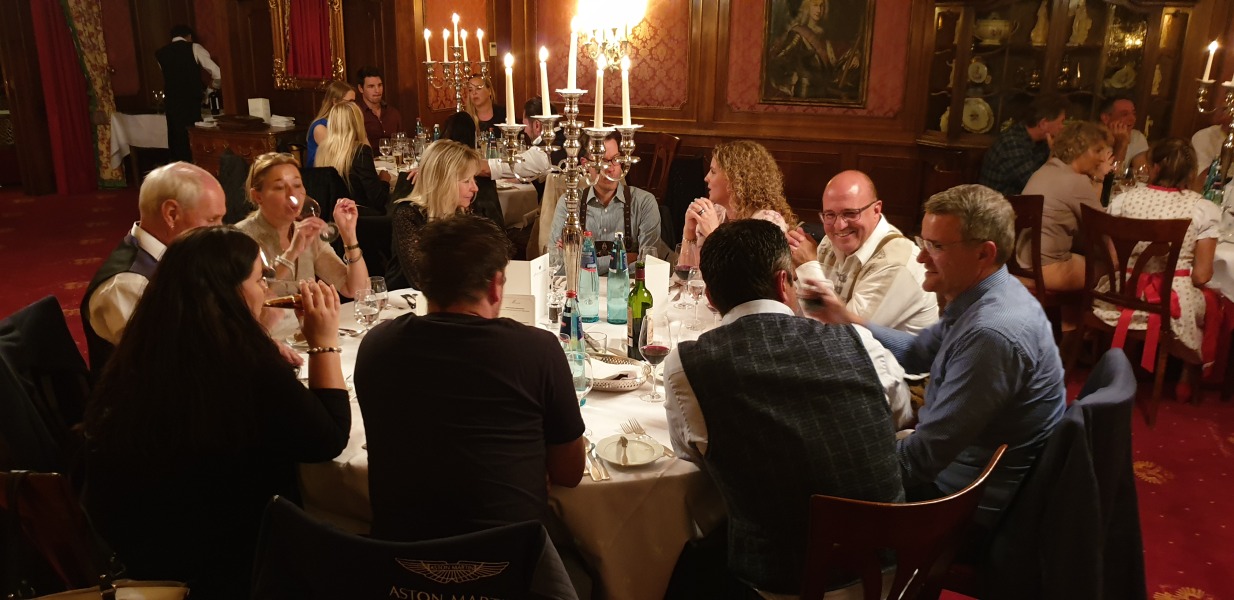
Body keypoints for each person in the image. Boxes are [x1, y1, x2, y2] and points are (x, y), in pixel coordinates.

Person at [84, 226, 350, 599]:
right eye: (259, 280)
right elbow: (328, 439)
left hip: (143, 553)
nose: (267, 291)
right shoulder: (244, 364)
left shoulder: (146, 345)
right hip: (232, 566)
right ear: (230, 292)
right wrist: (324, 342)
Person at [663, 219, 904, 596]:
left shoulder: (688, 365)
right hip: (896, 573)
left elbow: (693, 455)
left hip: (781, 587)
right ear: (782, 283)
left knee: (686, 563)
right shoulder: (856, 340)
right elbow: (898, 414)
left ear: (709, 296)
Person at [801, 184, 1065, 528]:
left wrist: (830, 470)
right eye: (923, 242)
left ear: (983, 254)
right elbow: (918, 353)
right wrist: (844, 318)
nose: (921, 257)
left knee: (806, 491)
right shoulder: (989, 293)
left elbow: (922, 460)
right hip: (957, 471)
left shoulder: (991, 334)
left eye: (936, 247)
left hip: (962, 503)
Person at [355, 214, 584, 543]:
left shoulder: (377, 345)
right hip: (510, 561)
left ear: (425, 282)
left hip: (399, 560)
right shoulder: (537, 350)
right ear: (495, 286)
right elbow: (570, 473)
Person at [1094, 138, 1221, 400]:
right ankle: (1187, 373)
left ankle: (1119, 362)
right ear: (1190, 172)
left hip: (1120, 294)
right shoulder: (1202, 208)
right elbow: (1201, 275)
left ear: (1154, 167)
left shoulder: (1123, 200)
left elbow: (1112, 257)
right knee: (1214, 300)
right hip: (1168, 301)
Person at [81, 162, 225, 375]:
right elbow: (168, 364)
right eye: (212, 220)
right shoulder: (126, 285)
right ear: (171, 214)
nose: (220, 230)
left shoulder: (180, 256)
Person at [786, 170, 938, 334]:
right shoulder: (831, 241)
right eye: (830, 215)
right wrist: (791, 276)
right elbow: (803, 314)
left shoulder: (896, 264)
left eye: (850, 213)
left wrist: (808, 266)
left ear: (876, 210)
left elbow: (844, 336)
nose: (839, 226)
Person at [235, 152, 369, 298]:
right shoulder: (240, 238)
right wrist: (292, 252)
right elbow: (250, 298)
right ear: (257, 196)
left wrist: (349, 235)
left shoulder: (307, 233)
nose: (292, 194)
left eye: (297, 185)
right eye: (280, 187)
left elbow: (355, 289)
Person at [548, 130, 663, 274]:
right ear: (585, 164)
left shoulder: (643, 203)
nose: (611, 168)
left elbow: (648, 266)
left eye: (616, 159)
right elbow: (556, 264)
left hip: (627, 287)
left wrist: (579, 261)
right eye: (602, 161)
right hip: (582, 287)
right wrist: (625, 258)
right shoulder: (570, 203)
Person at [1018, 121, 1113, 294]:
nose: (1102, 158)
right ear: (1078, 149)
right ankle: (1100, 311)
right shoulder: (1076, 181)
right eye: (1097, 151)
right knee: (1113, 266)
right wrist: (1100, 177)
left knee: (1087, 254)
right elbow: (1100, 226)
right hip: (1045, 271)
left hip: (1021, 266)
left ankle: (1072, 315)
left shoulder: (1044, 170)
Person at [678, 140, 797, 271]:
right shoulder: (716, 213)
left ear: (735, 178)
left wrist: (714, 234)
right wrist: (689, 232)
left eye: (713, 171)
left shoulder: (767, 223)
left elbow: (748, 276)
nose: (706, 178)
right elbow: (690, 273)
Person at [390, 139, 482, 288]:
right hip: (408, 297)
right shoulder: (408, 214)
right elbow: (420, 278)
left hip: (455, 293)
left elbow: (483, 261)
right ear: (442, 181)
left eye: (474, 179)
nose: (475, 188)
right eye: (466, 181)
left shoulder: (463, 210)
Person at [978, 94, 1069, 197]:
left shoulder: (1042, 142)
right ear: (1043, 123)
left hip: (1021, 202)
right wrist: (1053, 154)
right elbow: (1039, 186)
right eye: (1061, 121)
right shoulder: (1012, 143)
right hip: (996, 204)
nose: (1063, 127)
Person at [155, 25, 221, 163]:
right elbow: (218, 73)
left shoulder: (160, 53)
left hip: (171, 104)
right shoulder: (194, 48)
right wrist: (212, 88)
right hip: (191, 104)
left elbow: (171, 77)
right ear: (189, 36)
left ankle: (180, 170)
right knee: (193, 141)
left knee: (177, 141)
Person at [314, 101, 391, 213]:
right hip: (362, 217)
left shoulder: (322, 150)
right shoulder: (360, 151)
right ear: (358, 123)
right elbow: (378, 200)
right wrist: (385, 181)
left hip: (333, 215)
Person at [439, 111, 506, 228]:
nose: (475, 188)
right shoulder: (482, 178)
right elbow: (496, 223)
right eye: (466, 181)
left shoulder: (438, 170)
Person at [481, 96, 564, 182]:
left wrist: (474, 165)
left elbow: (493, 168)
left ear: (537, 125)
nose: (525, 131)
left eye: (525, 125)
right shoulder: (566, 138)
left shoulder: (542, 153)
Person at [305, 80, 356, 169]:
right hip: (322, 174)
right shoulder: (320, 127)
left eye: (354, 102)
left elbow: (365, 150)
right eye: (349, 102)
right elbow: (338, 158)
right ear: (335, 102)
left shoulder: (348, 123)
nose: (354, 106)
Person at [1098, 96, 1148, 175]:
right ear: (1105, 118)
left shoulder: (1137, 137)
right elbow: (1110, 176)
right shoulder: (1093, 138)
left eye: (1133, 113)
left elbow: (1141, 174)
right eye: (1124, 114)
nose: (1132, 119)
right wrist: (1122, 144)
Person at [355, 66, 403, 144]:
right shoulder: (356, 114)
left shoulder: (393, 113)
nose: (377, 90)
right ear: (361, 88)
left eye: (380, 85)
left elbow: (403, 141)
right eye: (371, 86)